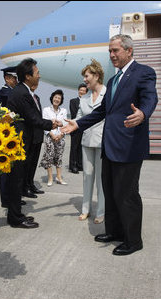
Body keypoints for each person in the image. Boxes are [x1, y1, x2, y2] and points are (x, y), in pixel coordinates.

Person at [61, 34, 158, 256]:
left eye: (116, 51)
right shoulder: (114, 81)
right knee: (111, 192)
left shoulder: (144, 72)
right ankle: (114, 231)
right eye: (110, 51)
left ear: (129, 51)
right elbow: (103, 111)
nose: (112, 55)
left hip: (130, 146)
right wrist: (77, 124)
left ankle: (133, 240)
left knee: (127, 194)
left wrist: (143, 113)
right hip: (110, 146)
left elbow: (151, 98)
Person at [6, 58, 61, 228]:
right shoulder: (21, 93)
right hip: (18, 144)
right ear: (28, 76)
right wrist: (52, 123)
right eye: (37, 73)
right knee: (15, 181)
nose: (39, 76)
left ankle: (16, 214)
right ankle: (15, 218)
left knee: (19, 180)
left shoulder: (25, 91)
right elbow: (33, 118)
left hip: (24, 143)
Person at [76, 59, 106, 224]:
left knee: (101, 179)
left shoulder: (108, 93)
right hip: (87, 142)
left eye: (87, 76)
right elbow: (79, 119)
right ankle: (85, 209)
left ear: (96, 75)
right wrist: (63, 125)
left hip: (103, 143)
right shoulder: (84, 98)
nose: (85, 80)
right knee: (87, 177)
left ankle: (101, 211)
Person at [0, 66, 17, 209]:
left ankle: (12, 196)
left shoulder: (11, 91)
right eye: (14, 78)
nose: (16, 80)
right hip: (4, 134)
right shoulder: (4, 92)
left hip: (11, 134)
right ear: (7, 78)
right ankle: (6, 199)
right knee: (5, 168)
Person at [39, 89, 68, 186]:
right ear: (52, 98)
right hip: (50, 137)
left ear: (61, 100)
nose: (57, 99)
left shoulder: (64, 111)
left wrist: (61, 135)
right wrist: (52, 135)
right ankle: (50, 178)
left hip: (61, 137)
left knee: (59, 157)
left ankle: (59, 177)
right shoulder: (46, 110)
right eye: (55, 97)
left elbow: (65, 124)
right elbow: (44, 124)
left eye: (59, 98)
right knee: (49, 157)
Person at [22, 87, 45, 198]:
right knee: (27, 163)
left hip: (38, 135)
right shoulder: (25, 98)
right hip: (30, 135)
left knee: (34, 163)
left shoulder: (37, 98)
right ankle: (25, 187)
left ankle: (31, 184)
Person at [68, 83, 87, 174]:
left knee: (80, 147)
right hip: (75, 127)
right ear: (78, 91)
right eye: (81, 90)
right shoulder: (73, 101)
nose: (82, 92)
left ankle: (79, 165)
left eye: (84, 91)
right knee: (74, 147)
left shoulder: (87, 102)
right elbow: (74, 114)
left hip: (84, 127)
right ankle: (72, 166)